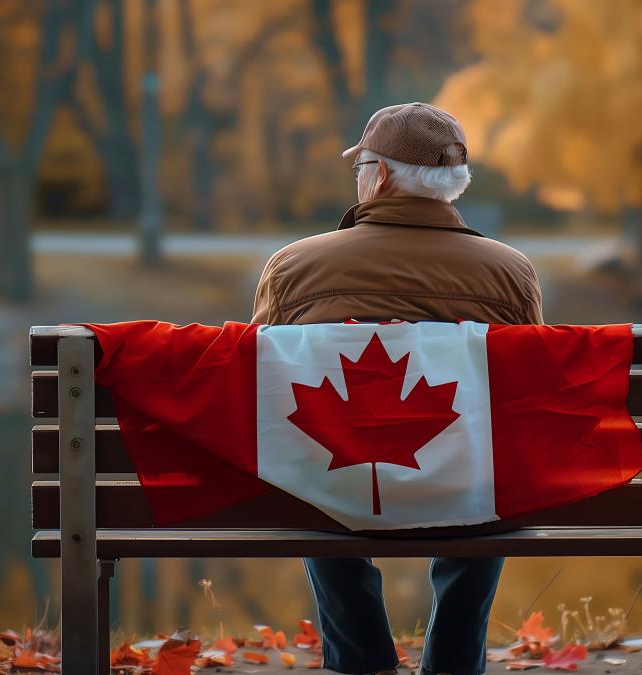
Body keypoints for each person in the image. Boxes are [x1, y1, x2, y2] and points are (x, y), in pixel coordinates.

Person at [251, 102, 544, 675]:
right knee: (493, 472)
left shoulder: (294, 267)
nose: (357, 175)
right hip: (464, 484)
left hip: (334, 481)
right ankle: (454, 660)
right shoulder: (510, 272)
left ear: (379, 177)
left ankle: (360, 659)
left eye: (360, 164)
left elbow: (261, 385)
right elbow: (524, 401)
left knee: (307, 471)